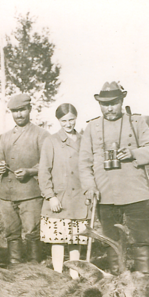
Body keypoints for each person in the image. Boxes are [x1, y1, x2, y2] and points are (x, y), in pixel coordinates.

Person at [79, 81, 149, 275]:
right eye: (104, 104)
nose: (109, 108)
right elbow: (84, 162)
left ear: (122, 100)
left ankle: (143, 281)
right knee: (111, 240)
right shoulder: (92, 127)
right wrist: (90, 187)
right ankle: (117, 280)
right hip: (105, 193)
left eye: (114, 103)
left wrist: (133, 153)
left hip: (136, 192)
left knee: (142, 239)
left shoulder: (136, 122)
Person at [0, 94, 49, 264]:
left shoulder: (41, 134)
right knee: (12, 233)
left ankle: (34, 269)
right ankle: (15, 268)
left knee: (32, 233)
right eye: (15, 111)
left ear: (29, 110)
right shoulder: (5, 136)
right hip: (7, 194)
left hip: (30, 194)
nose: (18, 115)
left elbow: (47, 164)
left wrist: (30, 171)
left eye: (22, 110)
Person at [38, 103, 89, 275]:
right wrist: (50, 196)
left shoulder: (84, 141)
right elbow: (44, 171)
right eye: (64, 120)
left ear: (76, 118)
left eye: (72, 120)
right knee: (58, 240)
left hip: (79, 199)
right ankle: (58, 274)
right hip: (60, 198)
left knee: (76, 239)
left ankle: (75, 275)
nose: (68, 124)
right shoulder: (51, 141)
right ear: (59, 120)